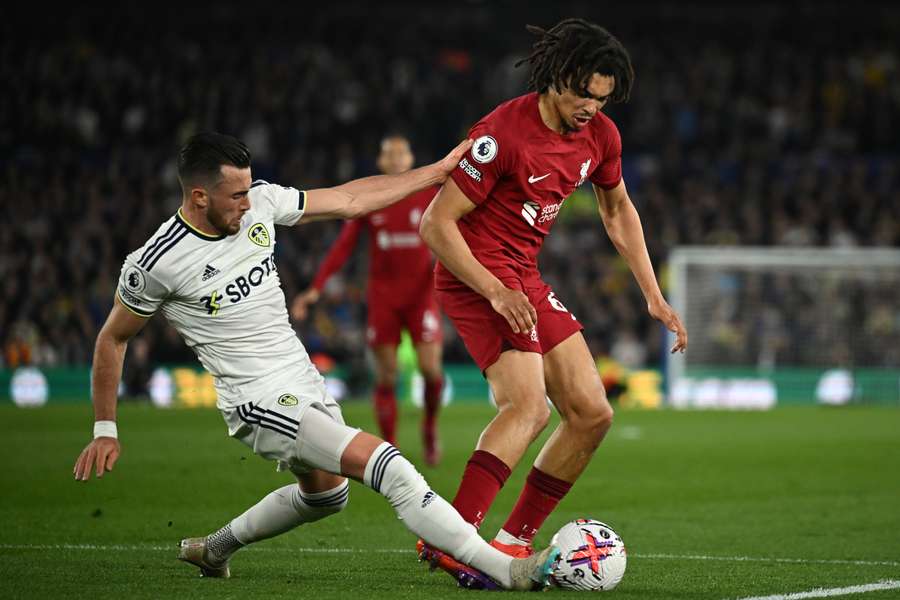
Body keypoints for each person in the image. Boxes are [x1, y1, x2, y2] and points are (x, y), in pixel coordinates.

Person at [71, 132, 558, 591]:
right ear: (198, 196)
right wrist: (105, 429)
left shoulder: (259, 203)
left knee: (327, 495)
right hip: (255, 399)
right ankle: (508, 570)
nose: (248, 202)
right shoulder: (156, 262)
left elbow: (350, 201)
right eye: (235, 195)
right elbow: (112, 340)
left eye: (248, 189)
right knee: (389, 467)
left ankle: (214, 550)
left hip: (302, 379)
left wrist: (435, 173)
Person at [416, 18, 688, 577]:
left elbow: (617, 210)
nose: (593, 107)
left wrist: (653, 295)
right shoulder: (502, 134)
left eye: (604, 98)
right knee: (529, 406)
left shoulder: (600, 136)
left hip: (523, 276)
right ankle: (451, 538)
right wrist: (493, 290)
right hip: (476, 275)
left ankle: (513, 540)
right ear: (558, 77)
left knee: (591, 413)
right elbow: (436, 225)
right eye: (585, 94)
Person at [291, 134, 444, 465]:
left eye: (402, 153)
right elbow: (343, 247)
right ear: (381, 162)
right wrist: (316, 287)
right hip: (384, 297)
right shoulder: (373, 199)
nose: (397, 159)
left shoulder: (428, 196)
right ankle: (389, 448)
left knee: (432, 371)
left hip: (421, 296)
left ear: (411, 159)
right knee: (387, 376)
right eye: (390, 154)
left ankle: (429, 427)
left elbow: (451, 233)